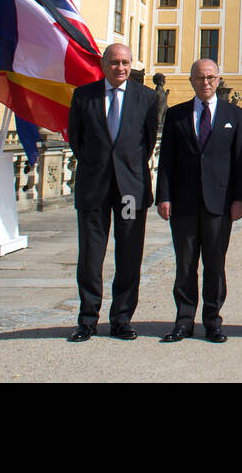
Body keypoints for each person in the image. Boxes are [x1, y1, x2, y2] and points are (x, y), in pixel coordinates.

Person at [66, 43, 159, 342]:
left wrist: (126, 167)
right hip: (95, 187)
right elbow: (77, 141)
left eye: (126, 63)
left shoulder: (146, 97)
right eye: (115, 62)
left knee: (129, 254)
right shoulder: (84, 96)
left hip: (130, 188)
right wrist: (100, 164)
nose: (121, 68)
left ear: (131, 65)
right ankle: (88, 319)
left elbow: (147, 141)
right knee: (91, 256)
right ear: (104, 65)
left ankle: (121, 318)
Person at [156, 58, 242, 343]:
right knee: (185, 264)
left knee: (214, 264)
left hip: (219, 202)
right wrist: (164, 196)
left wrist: (239, 199)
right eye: (200, 78)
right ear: (191, 81)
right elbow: (166, 160)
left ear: (218, 80)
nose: (205, 83)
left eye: (210, 77)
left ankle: (212, 320)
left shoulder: (234, 113)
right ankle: (184, 320)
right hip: (183, 201)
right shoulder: (176, 115)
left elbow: (239, 160)